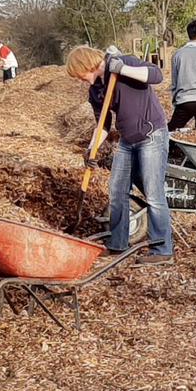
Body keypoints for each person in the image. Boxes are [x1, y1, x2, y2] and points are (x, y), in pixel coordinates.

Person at [66, 46, 174, 267]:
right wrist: (91, 149)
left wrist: (123, 69)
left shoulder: (124, 62)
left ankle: (162, 249)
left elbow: (156, 75)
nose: (80, 80)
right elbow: (103, 124)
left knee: (153, 194)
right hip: (127, 140)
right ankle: (118, 243)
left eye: (79, 75)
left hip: (151, 134)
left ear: (86, 64)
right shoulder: (95, 91)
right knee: (117, 191)